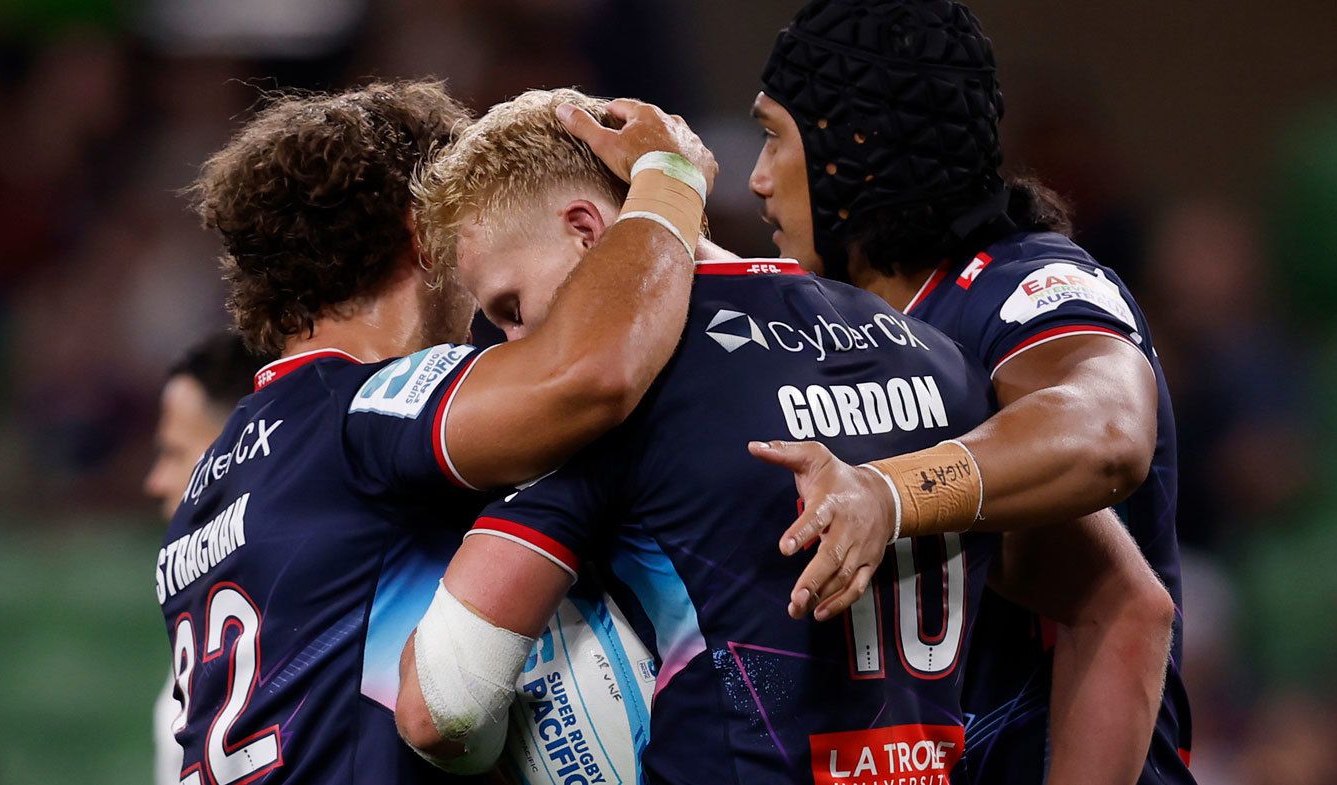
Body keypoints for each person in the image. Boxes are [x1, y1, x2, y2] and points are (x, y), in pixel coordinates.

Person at [395, 88, 1172, 785]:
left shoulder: (610, 410)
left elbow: (445, 704)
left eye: (511, 308)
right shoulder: (935, 354)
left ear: (589, 231)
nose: (512, 349)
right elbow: (1134, 609)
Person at [160, 79, 716, 783]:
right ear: (424, 234)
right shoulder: (364, 407)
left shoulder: (211, 487)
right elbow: (589, 377)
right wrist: (670, 182)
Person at [746, 2, 1192, 783]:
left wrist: (892, 492)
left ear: (854, 146)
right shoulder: (828, 329)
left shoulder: (1026, 286)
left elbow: (1109, 429)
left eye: (773, 136)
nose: (755, 178)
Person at [144, 332, 269, 785]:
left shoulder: (311, 622)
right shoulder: (207, 624)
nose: (155, 482)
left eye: (175, 453)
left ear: (234, 452)